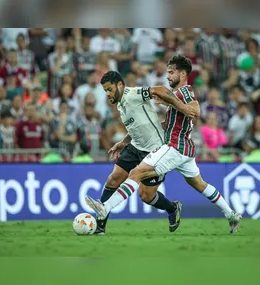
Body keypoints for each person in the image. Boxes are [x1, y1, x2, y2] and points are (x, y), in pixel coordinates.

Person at [86, 54, 242, 234]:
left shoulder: (183, 92)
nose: (167, 76)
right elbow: (167, 124)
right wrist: (124, 141)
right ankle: (231, 214)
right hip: (184, 148)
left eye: (171, 72)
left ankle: (104, 208)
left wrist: (179, 107)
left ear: (182, 74)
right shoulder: (175, 94)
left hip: (174, 147)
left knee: (137, 173)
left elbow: (195, 111)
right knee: (199, 184)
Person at [87, 70, 198, 235]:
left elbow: (158, 89)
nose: (108, 94)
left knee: (146, 196)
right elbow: (136, 125)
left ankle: (172, 208)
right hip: (135, 147)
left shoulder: (133, 94)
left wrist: (182, 107)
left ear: (119, 85)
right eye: (105, 91)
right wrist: (123, 142)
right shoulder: (120, 104)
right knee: (113, 179)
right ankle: (100, 225)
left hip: (156, 150)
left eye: (109, 89)